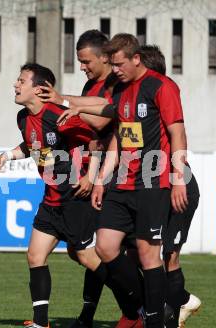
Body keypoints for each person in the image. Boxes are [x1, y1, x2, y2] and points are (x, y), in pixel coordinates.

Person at [38, 30, 144, 328]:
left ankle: (144, 306)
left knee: (106, 250)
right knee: (90, 250)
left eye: (86, 61)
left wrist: (63, 102)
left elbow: (101, 122)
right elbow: (93, 135)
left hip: (119, 174)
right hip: (101, 173)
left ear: (105, 58)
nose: (82, 67)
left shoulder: (117, 84)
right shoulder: (92, 84)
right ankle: (116, 311)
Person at [0, 63, 109, 328]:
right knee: (35, 256)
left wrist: (90, 176)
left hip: (74, 198)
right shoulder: (23, 118)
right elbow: (33, 146)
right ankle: (40, 322)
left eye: (22, 80)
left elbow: (95, 141)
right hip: (51, 198)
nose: (16, 84)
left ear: (40, 88)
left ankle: (139, 301)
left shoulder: (59, 114)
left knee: (86, 257)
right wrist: (8, 155)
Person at [89, 33, 189, 328]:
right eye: (113, 64)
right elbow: (120, 139)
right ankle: (144, 307)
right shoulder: (119, 92)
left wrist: (179, 179)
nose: (115, 70)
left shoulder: (161, 86)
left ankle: (154, 321)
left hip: (153, 182)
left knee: (148, 254)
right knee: (105, 246)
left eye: (119, 64)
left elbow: (178, 134)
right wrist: (100, 179)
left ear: (136, 59)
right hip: (122, 182)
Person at [140, 45, 201, 328]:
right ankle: (179, 303)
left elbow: (179, 134)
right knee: (147, 254)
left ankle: (174, 311)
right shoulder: (139, 102)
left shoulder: (164, 93)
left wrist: (177, 179)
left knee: (169, 256)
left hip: (179, 186)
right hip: (153, 186)